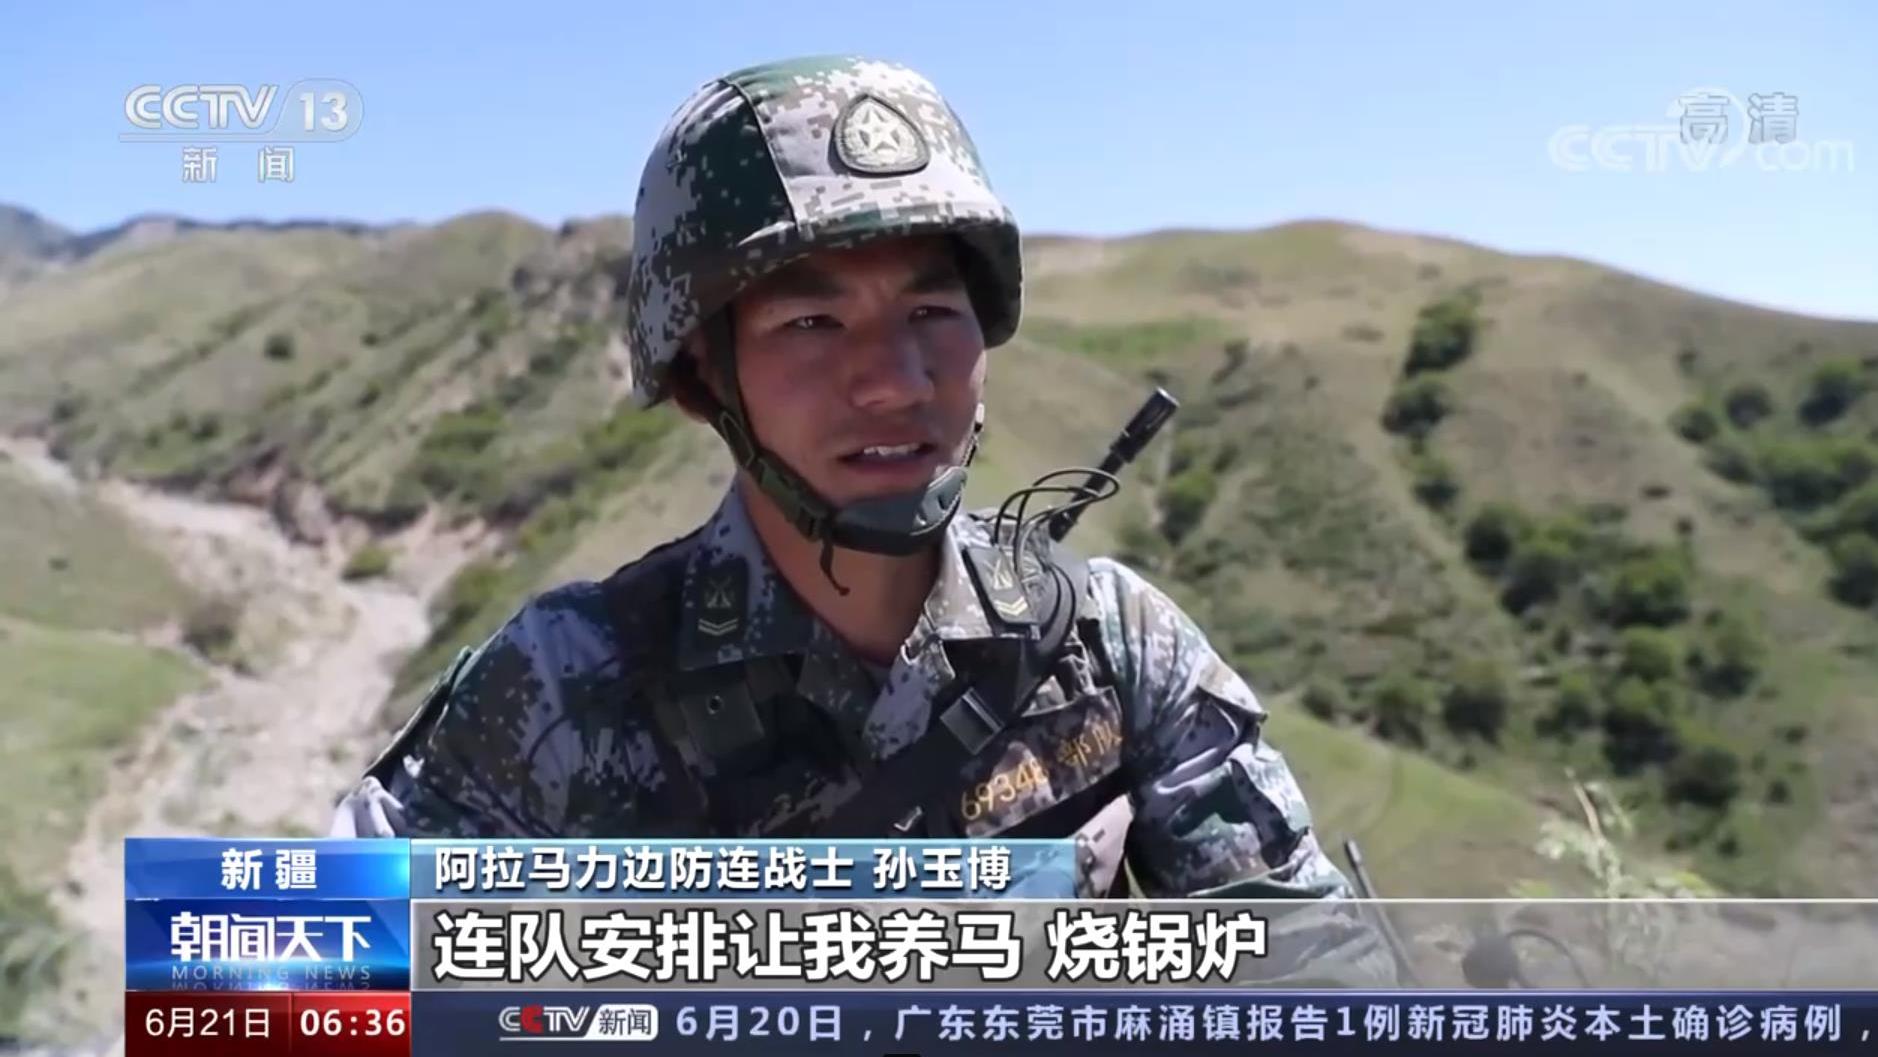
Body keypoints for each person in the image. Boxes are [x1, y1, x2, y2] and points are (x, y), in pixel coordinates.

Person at [331, 58, 1392, 978]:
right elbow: (310, 983)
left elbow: (1316, 982)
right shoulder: (565, 685)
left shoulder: (1113, 648)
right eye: (811, 321)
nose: (895, 380)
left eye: (932, 311)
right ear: (706, 377)